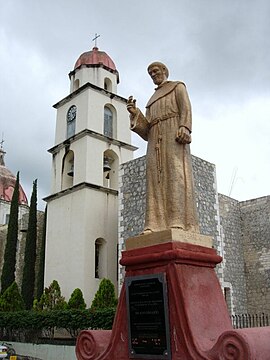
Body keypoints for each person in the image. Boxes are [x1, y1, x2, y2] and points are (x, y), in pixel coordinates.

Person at [127, 62, 199, 233]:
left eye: (155, 71)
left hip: (173, 134)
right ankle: (154, 223)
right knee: (154, 180)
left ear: (165, 71)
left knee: (176, 174)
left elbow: (186, 108)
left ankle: (178, 221)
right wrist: (135, 113)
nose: (153, 74)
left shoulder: (177, 87)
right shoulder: (151, 102)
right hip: (155, 142)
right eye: (150, 73)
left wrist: (185, 127)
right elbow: (146, 131)